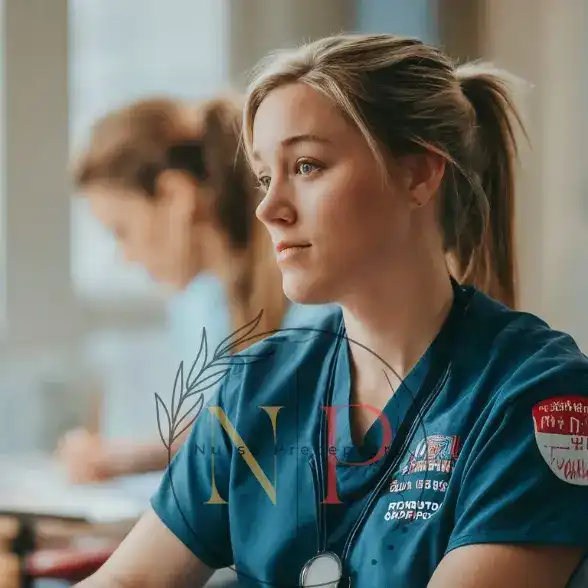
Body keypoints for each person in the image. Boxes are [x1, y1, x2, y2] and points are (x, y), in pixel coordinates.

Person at [75, 33, 588, 588]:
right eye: (266, 178)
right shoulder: (256, 386)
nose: (269, 209)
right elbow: (132, 579)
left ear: (419, 174)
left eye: (307, 166)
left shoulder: (541, 398)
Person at [59, 95, 327, 483]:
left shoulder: (309, 293)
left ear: (175, 196)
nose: (126, 257)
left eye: (122, 232)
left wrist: (126, 459)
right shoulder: (202, 302)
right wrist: (119, 459)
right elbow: (222, 425)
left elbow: (271, 436)